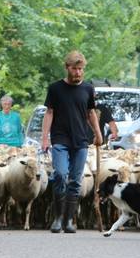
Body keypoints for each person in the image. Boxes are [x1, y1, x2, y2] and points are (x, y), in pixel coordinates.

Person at [41, 50, 103, 233]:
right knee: (60, 174)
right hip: (60, 138)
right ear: (67, 68)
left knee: (76, 180)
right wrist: (45, 138)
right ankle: (57, 218)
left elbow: (91, 113)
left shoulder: (87, 89)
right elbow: (49, 112)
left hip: (81, 140)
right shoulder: (55, 88)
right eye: (75, 69)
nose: (78, 73)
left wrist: (98, 134)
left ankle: (69, 220)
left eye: (81, 69)